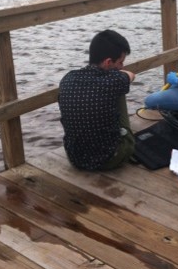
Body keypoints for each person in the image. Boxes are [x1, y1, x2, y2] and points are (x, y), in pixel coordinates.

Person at [58, 29, 135, 171]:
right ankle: (125, 132)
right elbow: (130, 75)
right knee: (122, 87)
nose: (122, 66)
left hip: (75, 158)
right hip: (108, 159)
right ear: (108, 62)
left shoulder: (67, 78)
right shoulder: (114, 81)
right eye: (120, 62)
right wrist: (118, 73)